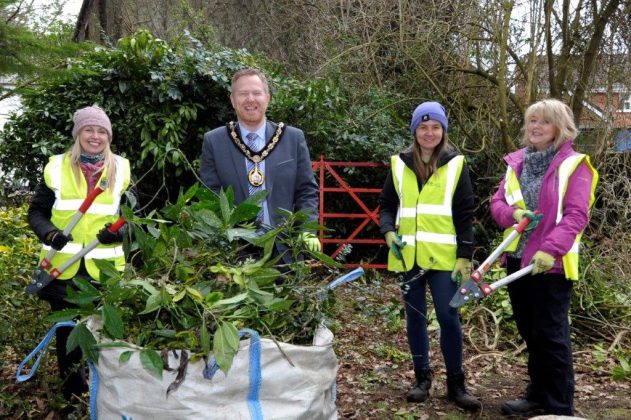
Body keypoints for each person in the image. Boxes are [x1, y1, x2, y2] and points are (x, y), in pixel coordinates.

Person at [490, 98, 598, 417]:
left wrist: (549, 250)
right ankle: (536, 396)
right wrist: (514, 213)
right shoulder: (517, 163)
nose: (535, 127)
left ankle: (559, 406)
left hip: (551, 265)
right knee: (530, 333)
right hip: (517, 262)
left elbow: (577, 216)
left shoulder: (574, 165)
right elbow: (496, 205)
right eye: (531, 120)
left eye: (544, 121)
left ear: (559, 128)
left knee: (551, 336)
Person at [28, 105, 136, 402]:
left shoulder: (122, 168)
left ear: (109, 136)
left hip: (106, 269)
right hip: (63, 269)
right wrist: (50, 234)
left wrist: (119, 231)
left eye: (102, 131)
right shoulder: (56, 167)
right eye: (89, 129)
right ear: (78, 134)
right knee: (68, 337)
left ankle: (105, 395)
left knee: (106, 334)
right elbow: (36, 212)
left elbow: (132, 214)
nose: (95, 136)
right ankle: (73, 397)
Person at [379, 101, 480, 411]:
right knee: (415, 317)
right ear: (414, 131)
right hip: (408, 256)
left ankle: (456, 384)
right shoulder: (399, 164)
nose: (429, 132)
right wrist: (389, 233)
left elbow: (465, 213)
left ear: (443, 130)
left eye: (435, 127)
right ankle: (421, 379)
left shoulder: (455, 164)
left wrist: (465, 255)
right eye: (423, 127)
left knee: (449, 317)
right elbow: (386, 206)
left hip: (444, 258)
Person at [200, 68, 320, 254]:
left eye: (257, 93)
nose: (250, 99)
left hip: (285, 249)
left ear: (267, 98)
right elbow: (210, 195)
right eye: (243, 94)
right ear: (232, 100)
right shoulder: (214, 141)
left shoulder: (292, 138)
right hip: (235, 252)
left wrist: (307, 230)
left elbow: (306, 190)